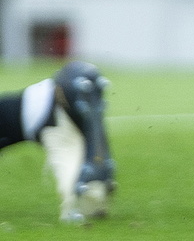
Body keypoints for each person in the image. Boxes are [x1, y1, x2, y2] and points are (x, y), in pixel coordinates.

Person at [0, 62, 115, 223]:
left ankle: (80, 204)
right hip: (49, 109)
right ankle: (82, 203)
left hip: (53, 114)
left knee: (88, 196)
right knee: (89, 195)